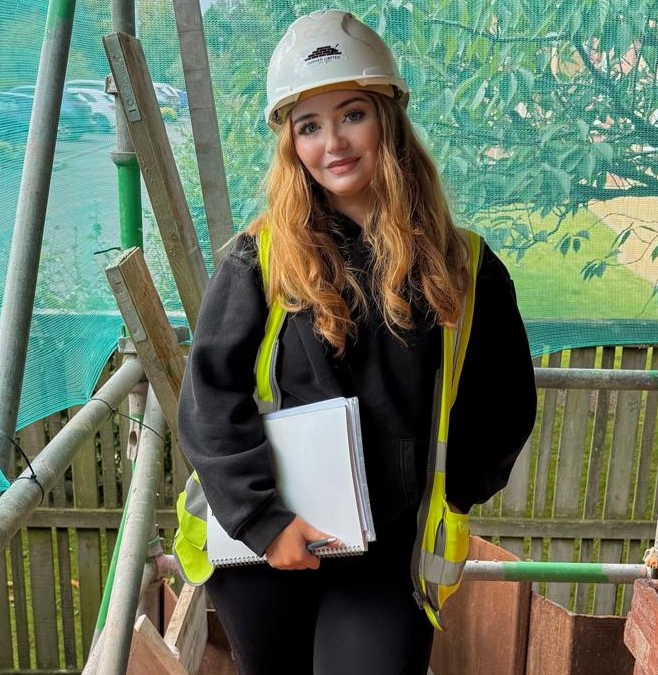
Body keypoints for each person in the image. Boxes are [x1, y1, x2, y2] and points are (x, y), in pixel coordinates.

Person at [175, 9, 536, 674]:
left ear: (387, 120)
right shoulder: (258, 260)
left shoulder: (464, 267)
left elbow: (505, 405)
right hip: (266, 549)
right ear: (291, 144)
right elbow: (209, 401)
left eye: (352, 114)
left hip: (384, 561)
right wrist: (264, 521)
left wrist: (447, 490)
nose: (333, 142)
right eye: (308, 125)